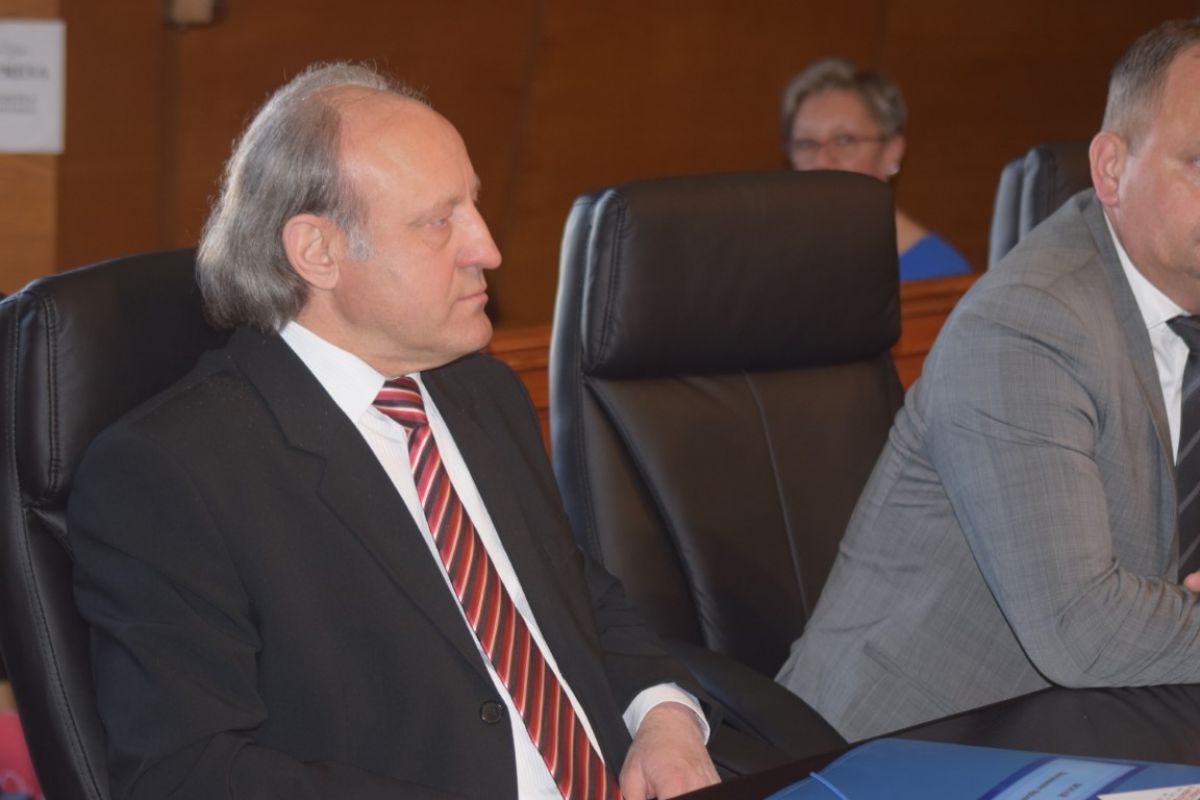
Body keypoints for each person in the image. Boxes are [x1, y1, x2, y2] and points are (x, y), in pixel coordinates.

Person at [67, 62, 719, 799]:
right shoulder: (172, 470)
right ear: (318, 252)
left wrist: (665, 717)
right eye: (439, 221)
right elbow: (187, 773)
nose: (487, 249)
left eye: (473, 205)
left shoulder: (484, 394)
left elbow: (580, 598)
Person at [777, 18, 1200, 742]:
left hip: (1094, 730)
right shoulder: (1031, 324)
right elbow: (1082, 627)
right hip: (897, 751)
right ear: (1110, 169)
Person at [780, 58, 972, 281]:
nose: (822, 161)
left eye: (845, 140)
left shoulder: (942, 276)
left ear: (892, 151)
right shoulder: (776, 260)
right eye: (806, 144)